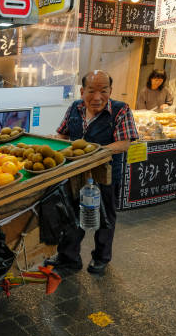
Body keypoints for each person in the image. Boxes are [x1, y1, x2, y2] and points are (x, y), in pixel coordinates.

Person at [45, 70, 138, 275]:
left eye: (103, 91)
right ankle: (69, 258)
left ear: (110, 91)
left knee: (105, 217)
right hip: (76, 175)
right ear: (82, 91)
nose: (97, 97)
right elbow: (63, 133)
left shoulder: (120, 110)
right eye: (91, 91)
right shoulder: (75, 108)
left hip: (106, 174)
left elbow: (124, 143)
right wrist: (52, 142)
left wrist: (94, 153)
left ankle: (101, 258)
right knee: (70, 214)